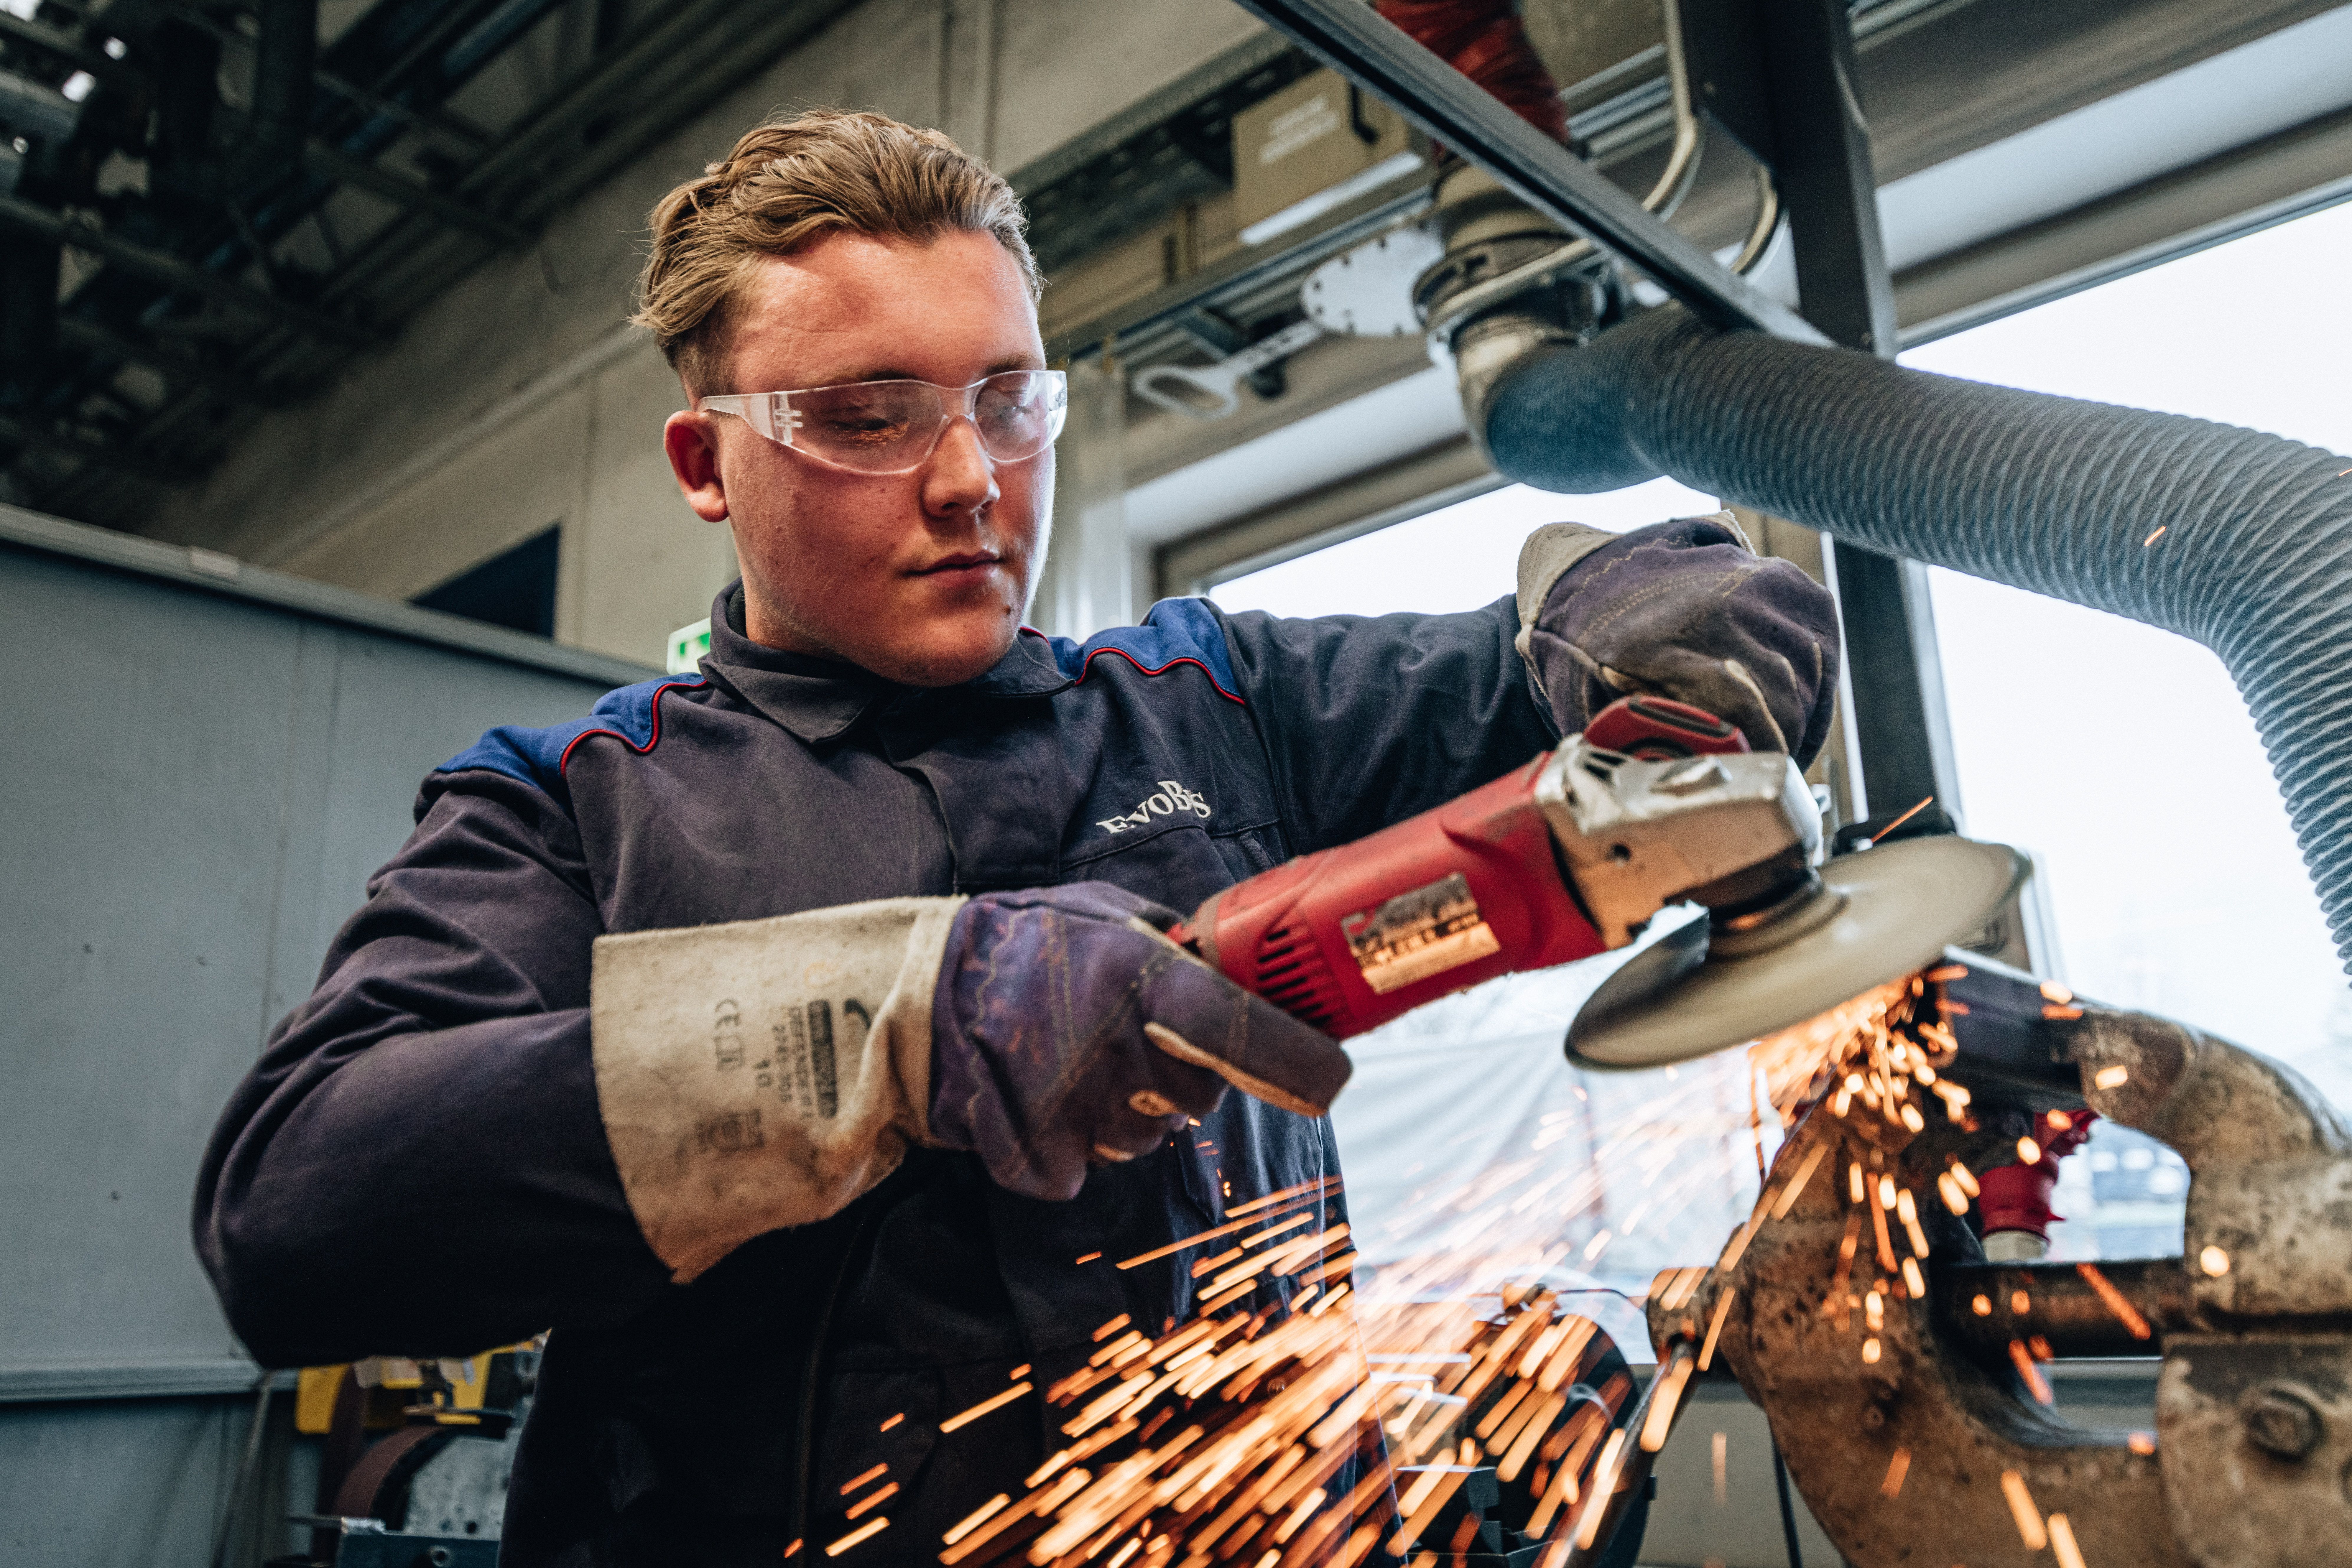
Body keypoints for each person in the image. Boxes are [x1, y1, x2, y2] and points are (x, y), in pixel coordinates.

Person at [193, 109, 1841, 1567]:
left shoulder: (1214, 702)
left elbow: (1569, 625)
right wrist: (892, 1023)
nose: (973, 480)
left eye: (1010, 399)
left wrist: (1655, 603)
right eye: (870, 416)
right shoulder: (581, 803)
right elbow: (294, 1217)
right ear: (709, 462)